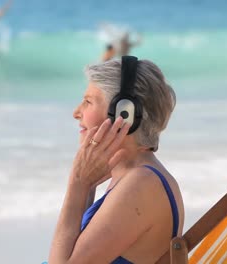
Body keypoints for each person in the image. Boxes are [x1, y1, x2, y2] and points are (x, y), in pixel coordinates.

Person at [48, 57, 184, 263]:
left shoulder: (141, 185)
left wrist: (78, 182)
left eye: (88, 102)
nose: (76, 113)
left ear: (124, 113)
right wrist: (88, 186)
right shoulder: (135, 173)